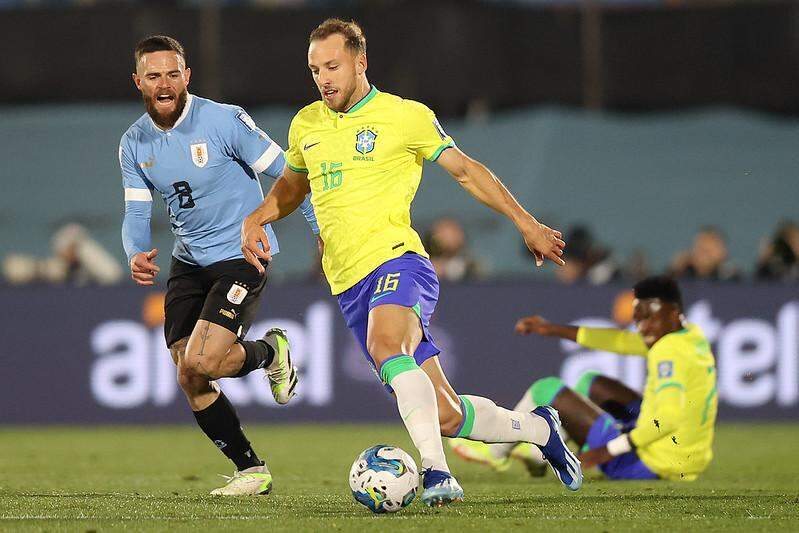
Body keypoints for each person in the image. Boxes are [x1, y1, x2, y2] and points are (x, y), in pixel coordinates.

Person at [241, 18, 581, 507]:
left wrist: (525, 222)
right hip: (348, 284)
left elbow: (465, 171)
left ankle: (437, 473)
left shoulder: (405, 117)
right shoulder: (306, 124)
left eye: (333, 66)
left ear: (361, 61)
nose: (323, 79)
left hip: (398, 262)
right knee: (446, 414)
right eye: (315, 69)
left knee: (386, 345)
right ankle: (537, 427)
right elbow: (293, 188)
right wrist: (258, 216)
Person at [120, 35, 318, 495]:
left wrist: (320, 230)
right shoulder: (134, 142)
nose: (165, 84)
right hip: (187, 261)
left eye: (173, 74)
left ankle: (270, 352)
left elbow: (292, 174)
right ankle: (251, 469)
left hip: (243, 254)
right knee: (189, 373)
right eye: (154, 76)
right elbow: (134, 211)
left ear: (187, 76)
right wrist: (134, 250)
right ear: (138, 82)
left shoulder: (224, 121)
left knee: (204, 360)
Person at [451, 276, 718, 482]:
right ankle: (539, 453)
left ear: (671, 314)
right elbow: (622, 341)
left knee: (546, 389)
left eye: (649, 318)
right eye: (638, 319)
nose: (643, 327)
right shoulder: (688, 334)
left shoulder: (667, 351)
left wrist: (608, 451)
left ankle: (497, 452)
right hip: (686, 458)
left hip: (645, 464)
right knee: (590, 383)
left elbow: (670, 418)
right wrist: (552, 328)